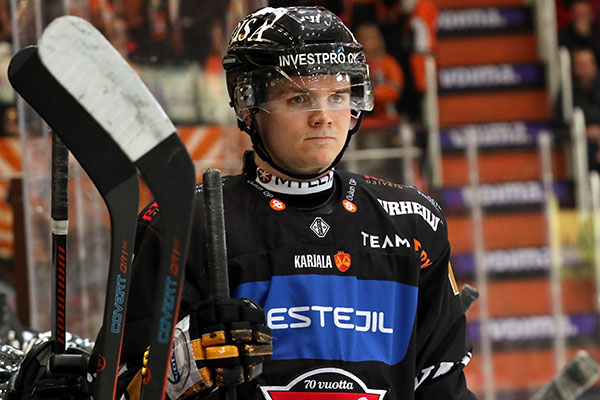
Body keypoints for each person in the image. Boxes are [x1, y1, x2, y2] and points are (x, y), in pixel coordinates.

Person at [10, 6, 476, 400]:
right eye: (298, 97)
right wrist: (184, 362)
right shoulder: (182, 225)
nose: (323, 116)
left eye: (338, 94)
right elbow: (119, 387)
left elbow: (442, 382)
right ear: (247, 104)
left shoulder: (412, 222)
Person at [571, 45, 600, 171]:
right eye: (581, 64)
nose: (586, 68)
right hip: (582, 143)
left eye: (588, 63)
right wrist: (583, 132)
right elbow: (561, 124)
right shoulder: (567, 93)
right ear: (574, 68)